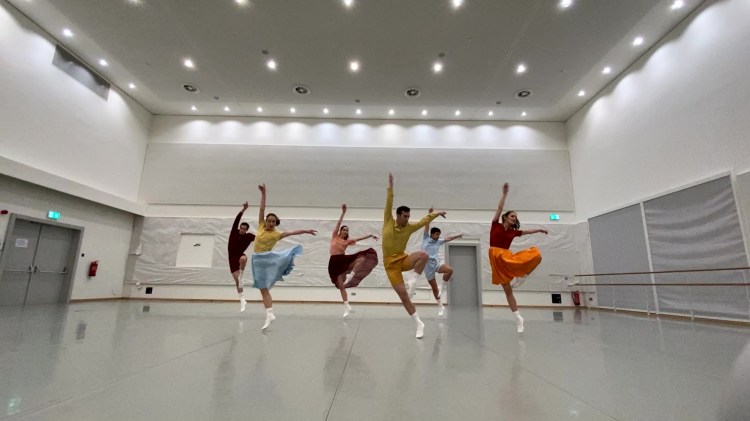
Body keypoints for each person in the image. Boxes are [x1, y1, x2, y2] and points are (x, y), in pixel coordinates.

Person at [381, 173, 446, 338]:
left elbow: (424, 221)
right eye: (405, 216)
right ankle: (419, 323)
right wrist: (390, 186)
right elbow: (389, 202)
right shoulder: (388, 221)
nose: (407, 219)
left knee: (423, 255)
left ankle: (413, 280)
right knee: (404, 296)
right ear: (398, 215)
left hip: (402, 258)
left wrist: (437, 213)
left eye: (409, 216)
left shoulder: (409, 227)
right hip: (390, 265)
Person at [253, 183, 317, 330]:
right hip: (256, 260)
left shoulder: (277, 234)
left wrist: (306, 231)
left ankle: (270, 313)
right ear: (266, 221)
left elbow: (292, 232)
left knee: (264, 286)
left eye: (273, 221)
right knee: (263, 288)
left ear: (276, 223)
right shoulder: (261, 226)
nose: (270, 223)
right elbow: (262, 209)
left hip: (266, 259)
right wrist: (263, 194)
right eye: (269, 220)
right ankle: (270, 314)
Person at [489, 182, 548, 333]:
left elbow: (527, 231)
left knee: (536, 255)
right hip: (496, 259)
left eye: (516, 217)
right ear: (505, 217)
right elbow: (499, 208)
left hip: (506, 257)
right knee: (507, 291)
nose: (514, 218)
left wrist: (539, 230)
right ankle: (518, 318)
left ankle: (523, 276)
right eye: (512, 216)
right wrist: (504, 194)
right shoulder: (495, 224)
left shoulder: (513, 232)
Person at [328, 204, 379, 318]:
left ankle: (350, 276)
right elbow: (338, 223)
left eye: (347, 230)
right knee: (341, 286)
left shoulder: (348, 241)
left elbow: (359, 238)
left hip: (342, 259)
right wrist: (343, 212)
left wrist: (370, 235)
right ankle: (347, 307)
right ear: (340, 231)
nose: (345, 231)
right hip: (334, 262)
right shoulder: (335, 236)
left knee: (361, 259)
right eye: (344, 230)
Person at [420, 210, 462, 316]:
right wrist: (430, 214)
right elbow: (427, 224)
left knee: (450, 270)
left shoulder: (438, 242)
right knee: (434, 288)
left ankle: (442, 286)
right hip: (427, 268)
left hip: (436, 265)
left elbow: (448, 239)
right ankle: (440, 306)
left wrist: (457, 236)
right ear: (432, 234)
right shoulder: (425, 238)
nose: (438, 236)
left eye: (439, 234)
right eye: (437, 234)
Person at [227, 201, 256, 312]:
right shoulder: (234, 232)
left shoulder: (249, 236)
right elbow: (237, 218)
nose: (242, 230)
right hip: (231, 258)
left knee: (243, 259)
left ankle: (242, 275)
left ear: (247, 230)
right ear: (239, 228)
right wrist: (244, 209)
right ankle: (242, 299)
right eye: (241, 228)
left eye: (245, 229)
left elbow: (260, 239)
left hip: (240, 255)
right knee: (238, 282)